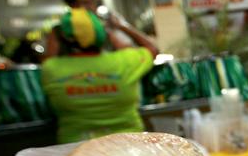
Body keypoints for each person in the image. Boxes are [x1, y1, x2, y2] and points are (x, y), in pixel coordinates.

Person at [41, 8, 159, 143]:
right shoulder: (124, 61)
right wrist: (121, 26)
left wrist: (54, 36)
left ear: (62, 39)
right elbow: (152, 49)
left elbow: (50, 56)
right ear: (103, 34)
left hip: (76, 149)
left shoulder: (51, 69)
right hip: (129, 145)